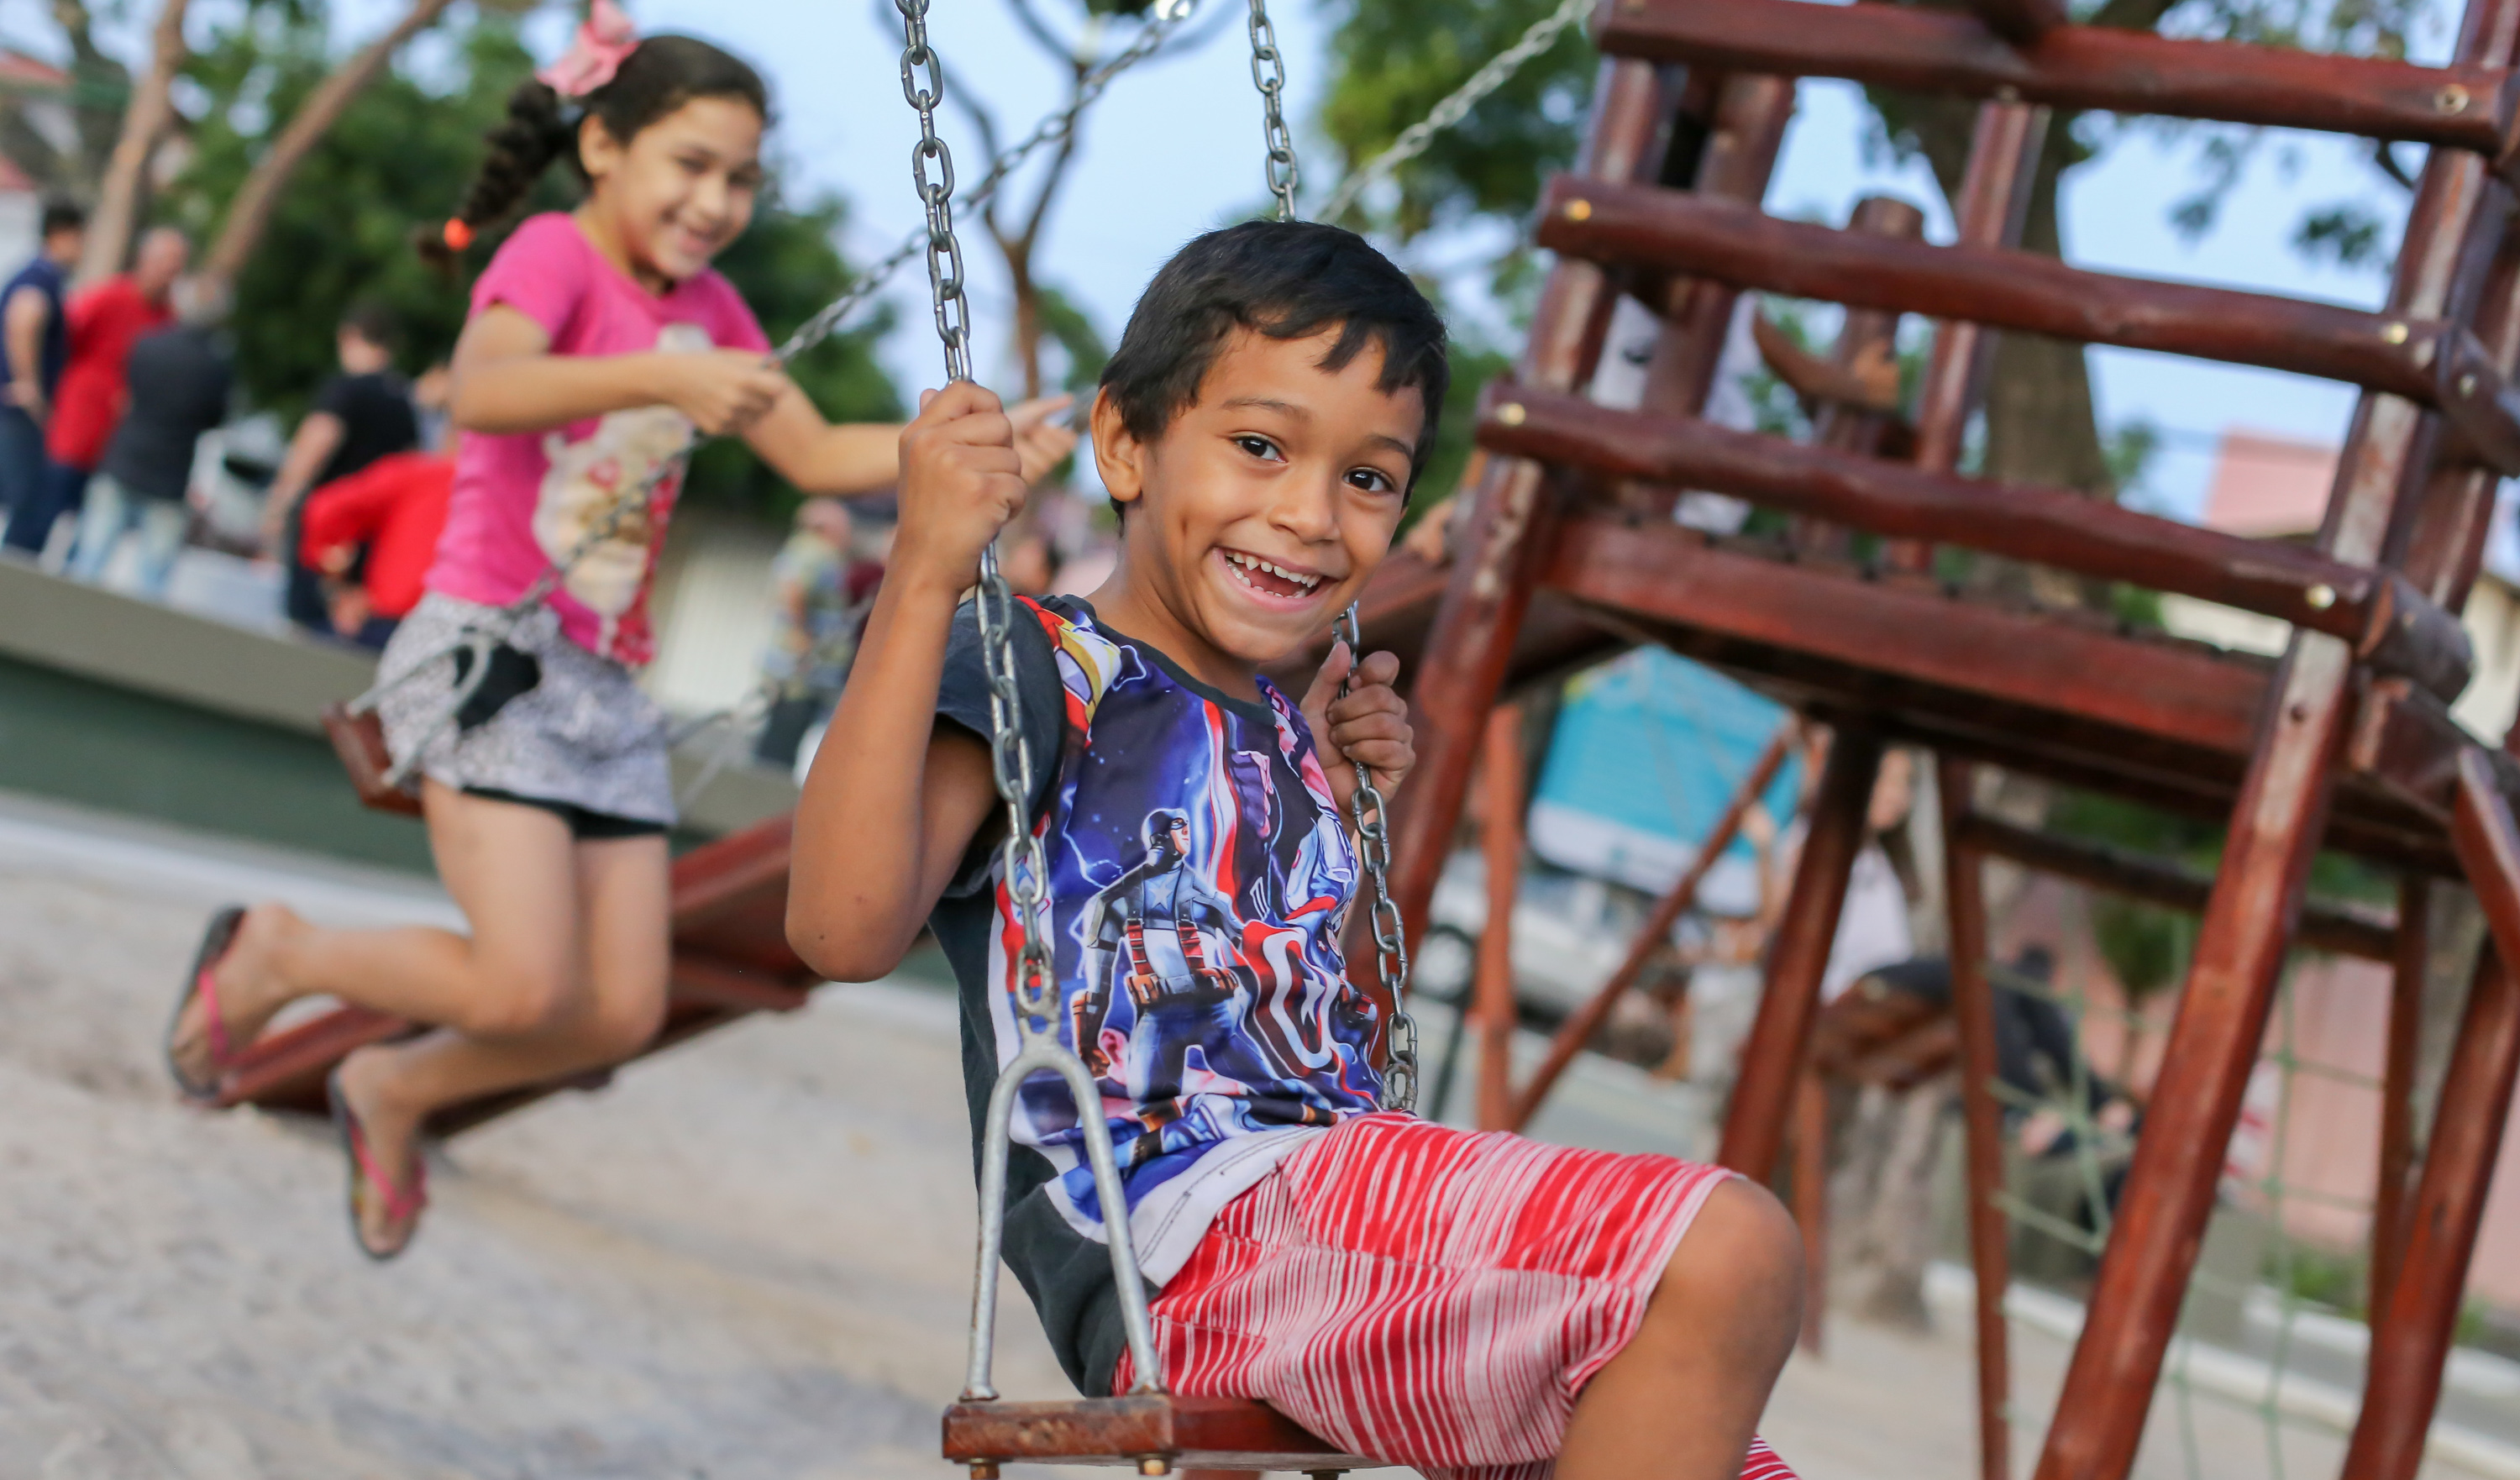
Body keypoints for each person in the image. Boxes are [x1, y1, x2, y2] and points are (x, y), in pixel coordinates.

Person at [787, 222, 1802, 1480]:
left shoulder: (1289, 725)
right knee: (1725, 1250)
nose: (1311, 514)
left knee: (1714, 1437)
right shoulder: (1035, 668)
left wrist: (1340, 803)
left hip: (1325, 1213)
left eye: (1369, 479)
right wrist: (926, 572)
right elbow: (838, 929)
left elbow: (1338, 1049)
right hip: (1185, 1240)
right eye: (1260, 446)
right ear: (1125, 443)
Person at [160, 13, 1077, 1260]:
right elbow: (482, 387)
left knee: (617, 1011)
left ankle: (394, 1088)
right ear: (602, 144)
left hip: (605, 690)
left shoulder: (711, 308)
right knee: (525, 987)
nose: (716, 201)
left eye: (741, 178)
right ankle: (281, 949)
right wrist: (661, 379)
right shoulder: (553, 255)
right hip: (493, 656)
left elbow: (814, 451)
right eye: (690, 164)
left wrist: (989, 446)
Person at [3, 225, 187, 559]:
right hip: (72, 433)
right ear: (144, 259)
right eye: (165, 260)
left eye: (177, 263)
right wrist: (35, 387)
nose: (170, 270)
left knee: (87, 545)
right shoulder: (108, 297)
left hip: (115, 450)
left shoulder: (168, 319)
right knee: (35, 523)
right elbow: (61, 342)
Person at [260, 301, 421, 634]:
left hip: (327, 520)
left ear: (349, 337)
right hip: (370, 534)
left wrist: (281, 499)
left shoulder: (346, 389)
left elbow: (317, 442)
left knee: (303, 619)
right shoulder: (403, 402)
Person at [66, 276, 234, 596]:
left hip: (124, 459)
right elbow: (214, 419)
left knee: (89, 562)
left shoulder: (148, 344)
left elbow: (127, 393)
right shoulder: (217, 367)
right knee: (152, 580)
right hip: (170, 475)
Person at [753, 495, 881, 766]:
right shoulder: (814, 551)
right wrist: (801, 636)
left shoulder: (808, 551)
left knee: (787, 732)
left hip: (805, 669)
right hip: (802, 670)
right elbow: (794, 590)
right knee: (784, 737)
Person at [298, 433, 458, 650]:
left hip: (388, 622)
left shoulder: (419, 472)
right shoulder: (505, 492)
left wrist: (339, 581)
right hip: (456, 634)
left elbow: (325, 510)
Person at [0, 201, 86, 518]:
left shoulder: (40, 275)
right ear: (61, 235)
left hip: (14, 405)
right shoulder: (41, 276)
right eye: (79, 238)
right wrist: (29, 387)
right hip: (18, 407)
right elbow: (24, 319)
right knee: (27, 499)